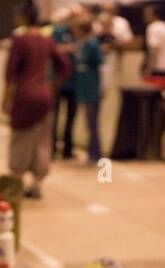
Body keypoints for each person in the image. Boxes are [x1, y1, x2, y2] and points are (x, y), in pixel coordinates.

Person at [4, 1, 69, 200]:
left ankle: (17, 179)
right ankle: (37, 182)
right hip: (44, 96)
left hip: (25, 95)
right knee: (42, 140)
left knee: (21, 139)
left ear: (22, 17)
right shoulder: (46, 40)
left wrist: (5, 99)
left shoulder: (20, 40)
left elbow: (10, 74)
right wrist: (51, 86)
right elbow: (64, 66)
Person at [71, 14, 104, 163]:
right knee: (87, 122)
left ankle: (96, 153)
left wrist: (102, 86)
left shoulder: (92, 43)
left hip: (92, 86)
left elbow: (100, 66)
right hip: (83, 86)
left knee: (92, 122)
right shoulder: (80, 43)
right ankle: (92, 151)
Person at [50, 9, 79, 160]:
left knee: (71, 117)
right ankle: (52, 148)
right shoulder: (57, 31)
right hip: (59, 81)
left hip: (74, 83)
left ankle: (68, 149)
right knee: (54, 116)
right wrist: (67, 49)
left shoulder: (78, 33)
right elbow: (52, 49)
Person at [142, 4, 165, 78]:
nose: (144, 17)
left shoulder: (153, 27)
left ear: (155, 15)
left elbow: (154, 48)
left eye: (147, 14)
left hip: (157, 68)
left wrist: (149, 68)